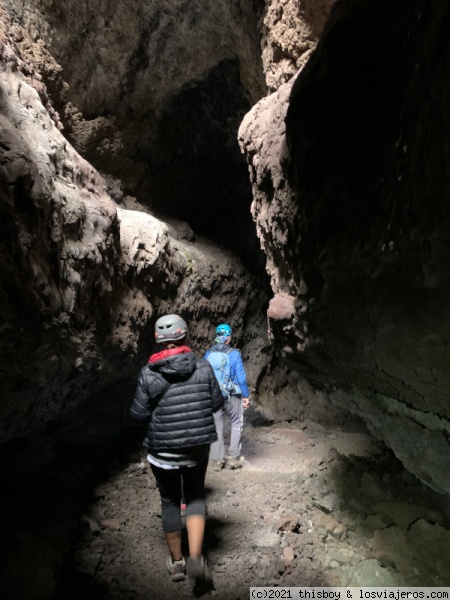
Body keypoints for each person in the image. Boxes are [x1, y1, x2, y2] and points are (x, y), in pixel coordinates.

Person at [130, 314, 223, 587]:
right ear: (184, 336)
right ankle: (195, 556)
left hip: (162, 451)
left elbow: (138, 414)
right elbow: (216, 403)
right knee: (195, 497)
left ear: (158, 341)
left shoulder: (149, 373)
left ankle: (177, 564)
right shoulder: (203, 367)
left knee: (170, 501)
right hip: (196, 449)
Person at [204, 323, 250, 471]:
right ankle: (233, 458)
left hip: (214, 396)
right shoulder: (234, 354)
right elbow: (241, 378)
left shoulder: (208, 354)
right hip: (232, 395)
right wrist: (246, 395)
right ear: (228, 338)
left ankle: (217, 460)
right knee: (236, 423)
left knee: (217, 427)